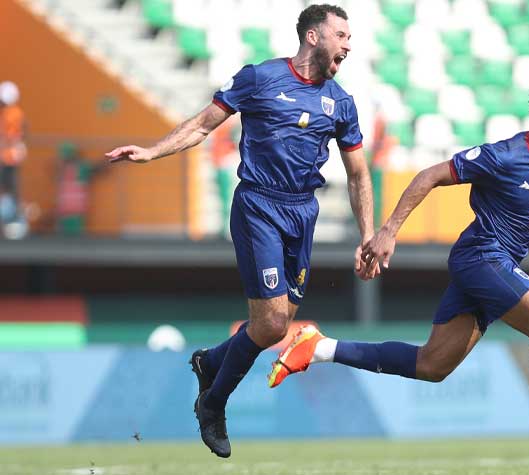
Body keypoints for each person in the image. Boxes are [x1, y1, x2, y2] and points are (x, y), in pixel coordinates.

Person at [268, 76, 529, 475]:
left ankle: (318, 348)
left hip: (497, 266)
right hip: (480, 256)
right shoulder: (504, 156)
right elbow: (429, 175)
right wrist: (388, 231)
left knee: (432, 366)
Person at [105, 4, 378, 458]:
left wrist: (367, 234)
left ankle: (211, 361)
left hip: (303, 213)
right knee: (271, 323)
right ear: (313, 36)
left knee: (275, 326)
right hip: (259, 206)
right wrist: (152, 152)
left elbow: (358, 174)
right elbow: (201, 125)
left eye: (350, 37)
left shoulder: (341, 102)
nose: (348, 45)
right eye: (342, 35)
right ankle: (212, 405)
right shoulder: (260, 78)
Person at [0, 81, 27, 237]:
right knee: (10, 191)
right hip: (8, 157)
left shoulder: (12, 113)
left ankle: (16, 222)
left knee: (10, 190)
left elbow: (10, 137)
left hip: (9, 158)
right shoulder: (12, 112)